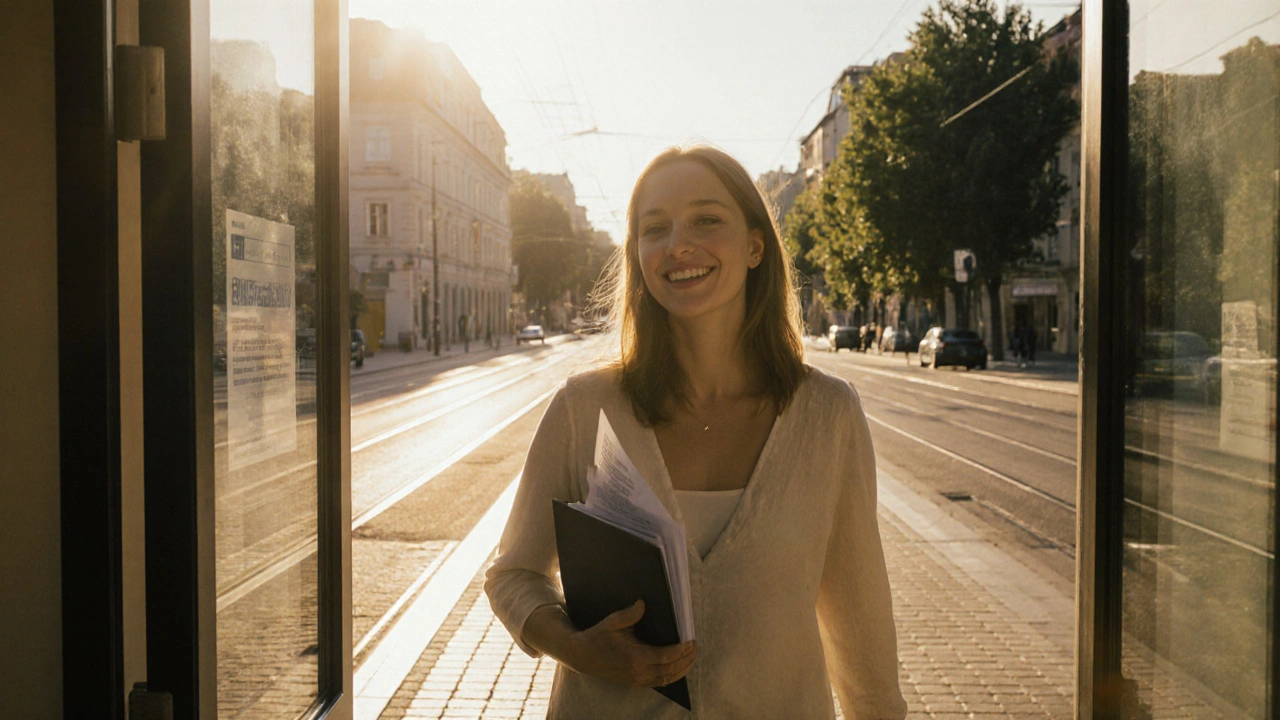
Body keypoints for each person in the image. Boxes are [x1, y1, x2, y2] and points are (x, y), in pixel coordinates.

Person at [484, 146, 906, 719]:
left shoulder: (828, 415)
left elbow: (861, 626)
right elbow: (513, 573)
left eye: (706, 220)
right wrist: (575, 647)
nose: (678, 244)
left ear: (755, 246)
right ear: (637, 255)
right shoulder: (584, 408)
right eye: (655, 228)